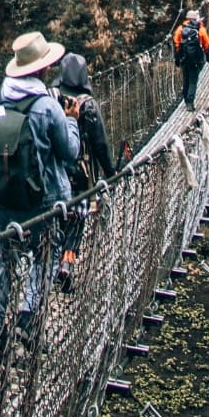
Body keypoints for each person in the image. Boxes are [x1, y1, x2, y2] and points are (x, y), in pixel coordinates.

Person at [0, 31, 80, 358]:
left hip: (0, 199)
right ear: (43, 69)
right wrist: (72, 121)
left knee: (1, 260)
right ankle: (28, 317)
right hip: (42, 201)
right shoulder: (48, 106)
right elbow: (69, 152)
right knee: (45, 257)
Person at [52, 52, 116, 292]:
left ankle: (52, 263)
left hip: (56, 167)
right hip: (81, 170)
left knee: (57, 216)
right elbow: (100, 143)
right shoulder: (87, 104)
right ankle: (66, 264)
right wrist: (111, 172)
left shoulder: (51, 98)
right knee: (77, 217)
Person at [173, 9, 209, 110]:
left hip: (184, 59)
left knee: (186, 79)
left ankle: (186, 100)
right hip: (196, 59)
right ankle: (190, 102)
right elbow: (206, 43)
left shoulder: (180, 29)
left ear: (186, 18)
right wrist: (208, 56)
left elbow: (176, 44)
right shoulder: (200, 29)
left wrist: (177, 58)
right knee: (193, 81)